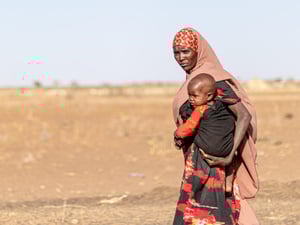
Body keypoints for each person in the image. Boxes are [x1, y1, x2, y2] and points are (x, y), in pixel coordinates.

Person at [172, 27, 259, 225]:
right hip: (196, 160)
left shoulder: (213, 81)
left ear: (198, 50)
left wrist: (229, 155)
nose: (180, 57)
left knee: (213, 212)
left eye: (186, 51)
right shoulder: (194, 82)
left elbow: (243, 115)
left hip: (214, 163)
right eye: (176, 52)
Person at [174, 73, 240, 194]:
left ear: (209, 96)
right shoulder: (224, 106)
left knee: (195, 135)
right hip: (227, 150)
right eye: (189, 95)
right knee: (233, 159)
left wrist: (177, 133)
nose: (190, 99)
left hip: (208, 150)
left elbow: (188, 128)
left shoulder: (200, 109)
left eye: (194, 96)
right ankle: (228, 183)